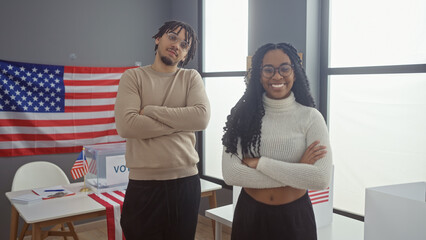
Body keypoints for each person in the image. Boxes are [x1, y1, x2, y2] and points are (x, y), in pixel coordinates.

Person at [222, 42, 332, 240]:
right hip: (251, 217)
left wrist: (261, 163)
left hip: (296, 218)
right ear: (258, 74)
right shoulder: (242, 117)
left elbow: (321, 178)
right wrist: (298, 170)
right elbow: (231, 174)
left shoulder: (311, 117)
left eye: (284, 68)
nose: (277, 76)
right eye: (268, 69)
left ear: (295, 72)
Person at [114, 20, 210, 240]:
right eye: (172, 37)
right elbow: (127, 125)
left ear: (185, 55)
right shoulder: (133, 77)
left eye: (184, 44)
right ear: (158, 39)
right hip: (144, 185)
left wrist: (150, 110)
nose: (177, 45)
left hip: (185, 184)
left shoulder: (190, 78)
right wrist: (180, 122)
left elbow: (201, 118)